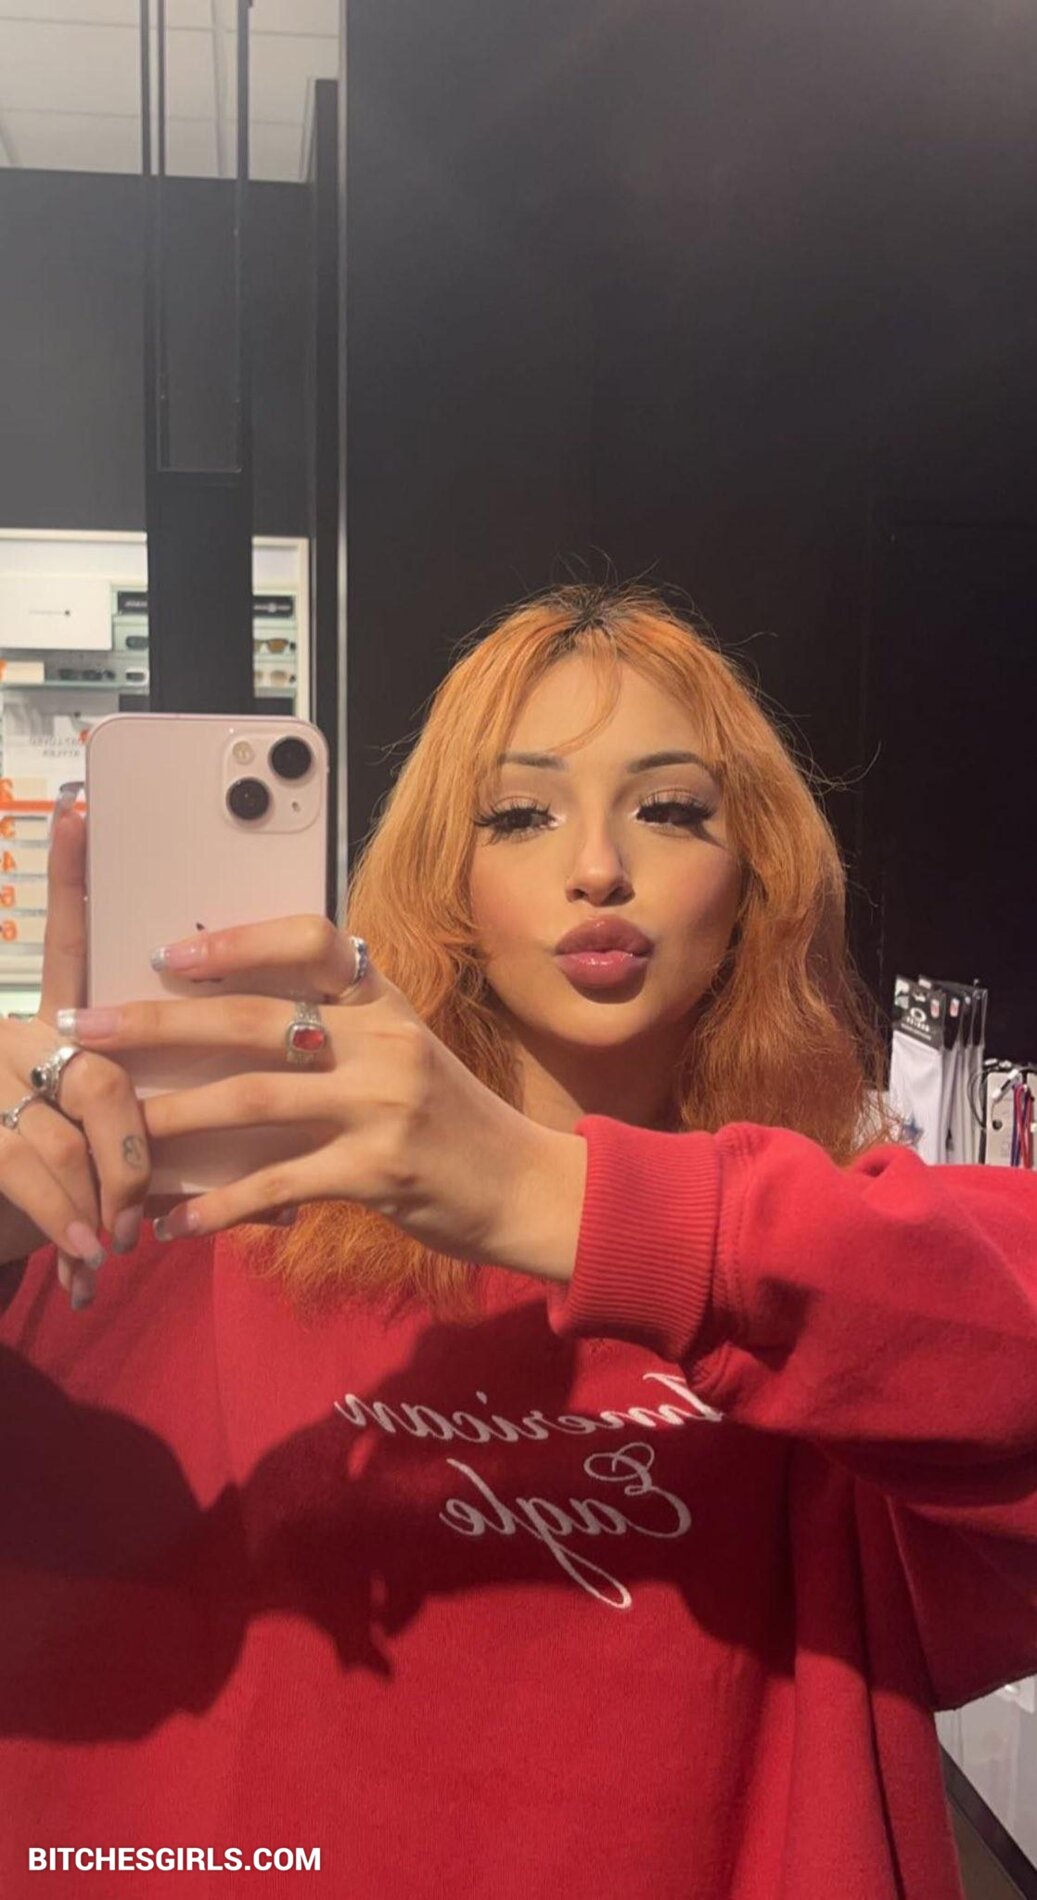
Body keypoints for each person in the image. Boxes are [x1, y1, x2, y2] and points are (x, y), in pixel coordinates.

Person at [0, 580, 1034, 1900]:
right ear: (450, 883)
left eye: (670, 810)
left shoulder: (832, 1300)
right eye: (520, 813)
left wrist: (553, 1201)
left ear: (755, 887)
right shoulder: (215, 1236)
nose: (597, 866)